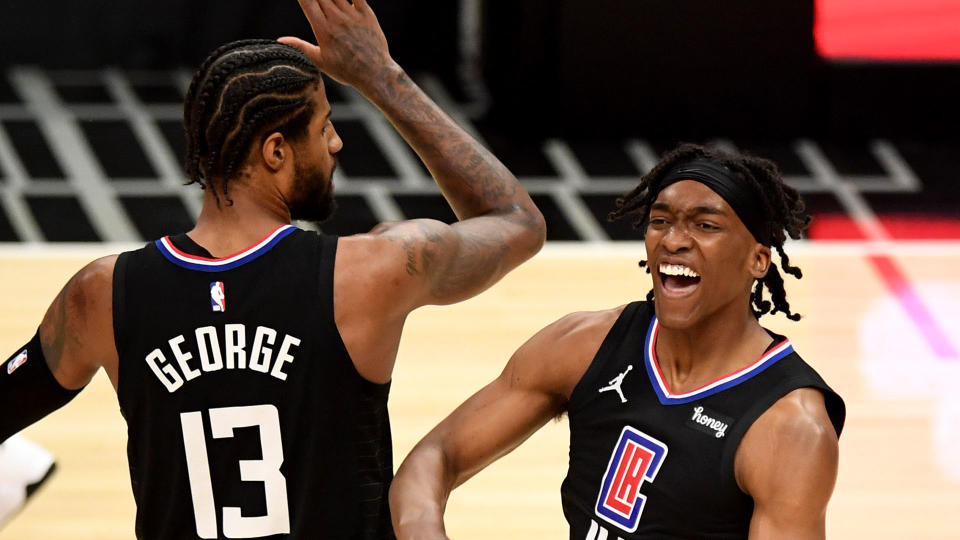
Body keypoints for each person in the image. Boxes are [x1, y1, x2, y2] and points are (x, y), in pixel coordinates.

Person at [0, 0, 546, 538]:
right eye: (324, 125)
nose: (336, 142)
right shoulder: (373, 270)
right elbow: (516, 220)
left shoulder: (104, 293)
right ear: (277, 151)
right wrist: (381, 77)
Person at [390, 144, 846, 539]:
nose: (674, 241)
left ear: (758, 260)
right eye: (660, 221)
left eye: (705, 226)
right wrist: (423, 529)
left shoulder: (790, 427)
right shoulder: (584, 344)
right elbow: (436, 456)